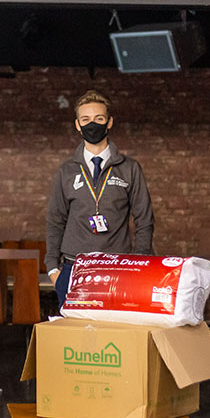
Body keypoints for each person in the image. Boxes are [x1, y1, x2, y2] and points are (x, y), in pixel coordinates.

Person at [45, 89, 155, 308]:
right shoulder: (67, 171)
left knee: (113, 336)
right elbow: (55, 219)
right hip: (73, 269)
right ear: (77, 124)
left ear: (109, 122)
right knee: (75, 338)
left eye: (99, 119)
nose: (92, 124)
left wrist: (140, 262)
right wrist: (52, 269)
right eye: (85, 119)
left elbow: (145, 219)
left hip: (117, 269)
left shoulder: (129, 169)